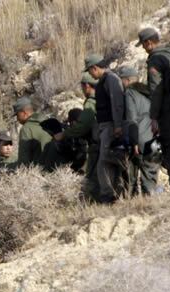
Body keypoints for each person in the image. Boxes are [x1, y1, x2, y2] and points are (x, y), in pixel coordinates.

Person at [138, 26, 170, 191]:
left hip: (169, 116)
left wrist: (153, 117)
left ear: (149, 43)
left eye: (144, 45)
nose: (145, 49)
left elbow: (156, 91)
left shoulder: (156, 59)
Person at [84, 53, 127, 203]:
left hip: (111, 127)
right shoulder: (105, 80)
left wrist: (117, 125)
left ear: (94, 68)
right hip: (108, 127)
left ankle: (109, 195)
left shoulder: (111, 79)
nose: (89, 74)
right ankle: (113, 194)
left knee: (104, 162)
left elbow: (117, 103)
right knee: (108, 161)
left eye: (89, 70)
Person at [54, 73, 100, 200]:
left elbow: (83, 125)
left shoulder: (91, 102)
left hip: (97, 145)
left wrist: (64, 134)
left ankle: (93, 201)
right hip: (107, 142)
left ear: (86, 86)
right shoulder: (104, 97)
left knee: (92, 178)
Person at [118, 66, 160, 195]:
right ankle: (153, 201)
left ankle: (142, 205)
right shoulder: (148, 92)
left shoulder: (130, 93)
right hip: (154, 140)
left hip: (141, 141)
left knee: (133, 178)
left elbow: (132, 120)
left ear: (128, 80)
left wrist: (134, 142)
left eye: (122, 81)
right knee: (151, 175)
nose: (121, 84)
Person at [14, 96, 52, 167]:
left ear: (24, 113)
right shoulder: (49, 120)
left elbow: (23, 160)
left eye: (17, 114)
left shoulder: (26, 128)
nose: (17, 118)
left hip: (41, 174)